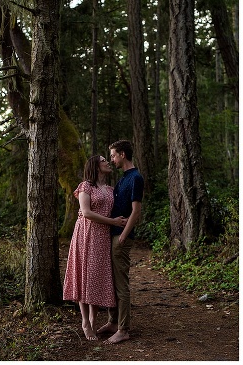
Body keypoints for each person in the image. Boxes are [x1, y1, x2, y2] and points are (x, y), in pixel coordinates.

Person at [63, 155, 127, 341]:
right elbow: (86, 212)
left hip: (103, 237)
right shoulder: (86, 186)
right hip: (86, 233)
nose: (108, 162)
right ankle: (85, 322)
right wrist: (112, 221)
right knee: (84, 275)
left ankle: (93, 319)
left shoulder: (110, 189)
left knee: (96, 277)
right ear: (96, 166)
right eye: (103, 160)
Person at [98, 140, 144, 345]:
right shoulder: (123, 178)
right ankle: (113, 321)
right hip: (113, 234)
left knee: (121, 284)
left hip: (121, 237)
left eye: (113, 155)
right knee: (112, 281)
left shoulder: (136, 178)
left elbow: (136, 211)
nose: (112, 159)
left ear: (123, 154)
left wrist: (124, 235)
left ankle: (123, 329)